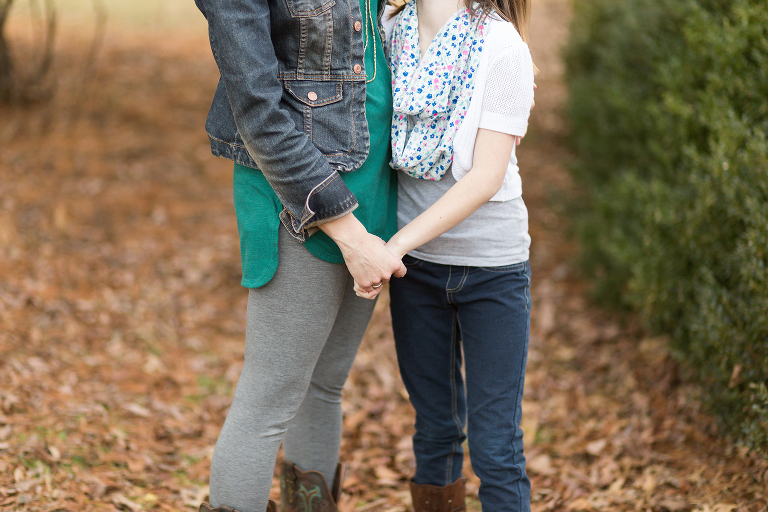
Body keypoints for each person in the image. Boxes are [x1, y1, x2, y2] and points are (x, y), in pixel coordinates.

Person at [192, 0, 406, 511]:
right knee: (269, 400)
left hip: (376, 190)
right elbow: (257, 110)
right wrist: (348, 233)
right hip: (298, 202)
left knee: (323, 386)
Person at [360, 0, 536, 510]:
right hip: (417, 273)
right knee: (434, 429)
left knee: (496, 445)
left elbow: (485, 178)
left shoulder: (503, 46)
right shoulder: (387, 31)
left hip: (493, 271)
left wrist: (394, 246)